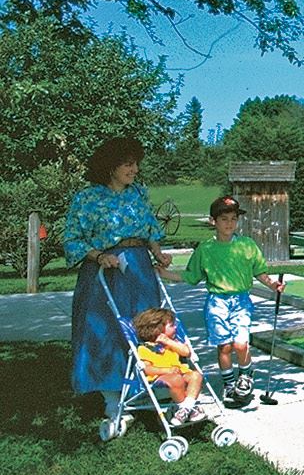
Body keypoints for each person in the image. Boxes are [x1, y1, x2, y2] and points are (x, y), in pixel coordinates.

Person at [64, 137, 173, 430]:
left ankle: (146, 389)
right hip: (106, 272)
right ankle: (113, 400)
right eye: (128, 163)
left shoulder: (138, 193)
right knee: (109, 330)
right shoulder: (87, 199)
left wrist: (158, 252)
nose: (134, 169)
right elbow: (73, 239)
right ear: (110, 166)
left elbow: (150, 227)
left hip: (138, 270)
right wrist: (99, 256)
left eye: (136, 163)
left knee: (146, 326)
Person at [157, 196, 285, 406]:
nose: (229, 223)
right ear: (213, 221)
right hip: (217, 302)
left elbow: (260, 271)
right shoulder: (205, 249)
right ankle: (229, 385)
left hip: (241, 300)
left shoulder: (246, 245)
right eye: (224, 219)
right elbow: (191, 276)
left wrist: (272, 285)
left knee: (241, 344)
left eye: (233, 219)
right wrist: (166, 274)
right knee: (224, 347)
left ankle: (245, 377)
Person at [132, 307, 206, 426]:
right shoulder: (144, 348)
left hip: (180, 374)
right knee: (176, 379)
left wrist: (169, 342)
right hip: (159, 379)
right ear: (158, 330)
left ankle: (185, 409)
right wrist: (166, 370)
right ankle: (189, 410)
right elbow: (147, 369)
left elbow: (186, 352)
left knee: (196, 375)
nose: (175, 327)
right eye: (171, 325)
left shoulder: (173, 343)